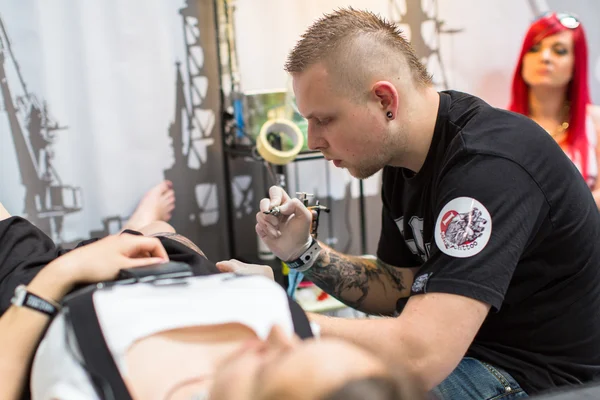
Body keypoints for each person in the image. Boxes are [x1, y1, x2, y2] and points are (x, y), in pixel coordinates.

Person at [245, 7, 600, 400]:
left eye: (324, 120)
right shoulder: (404, 158)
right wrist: (303, 252)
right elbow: (399, 283)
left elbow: (420, 354)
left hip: (536, 380)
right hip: (470, 356)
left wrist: (273, 313)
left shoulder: (489, 167)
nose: (312, 140)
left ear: (384, 100)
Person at [0, 221, 422, 400]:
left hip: (36, 311)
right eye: (301, 341)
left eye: (268, 366)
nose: (274, 333)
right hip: (153, 270)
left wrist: (57, 276)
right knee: (167, 235)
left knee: (13, 237)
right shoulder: (283, 337)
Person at [0, 180, 175, 315]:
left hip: (21, 272)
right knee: (159, 236)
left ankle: (130, 234)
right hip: (30, 306)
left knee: (155, 236)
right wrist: (67, 270)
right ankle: (131, 232)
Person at [509, 12, 600, 207]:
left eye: (559, 51)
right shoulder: (501, 126)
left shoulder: (595, 122)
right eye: (534, 48)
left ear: (576, 63)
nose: (545, 57)